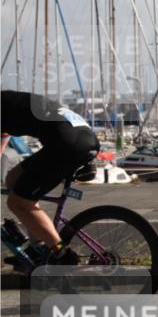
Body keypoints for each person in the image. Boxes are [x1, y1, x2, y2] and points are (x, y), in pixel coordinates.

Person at [1, 90, 99, 268]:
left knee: (17, 203)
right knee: (13, 180)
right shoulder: (8, 100)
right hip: (83, 137)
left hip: (66, 142)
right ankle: (38, 247)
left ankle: (63, 254)